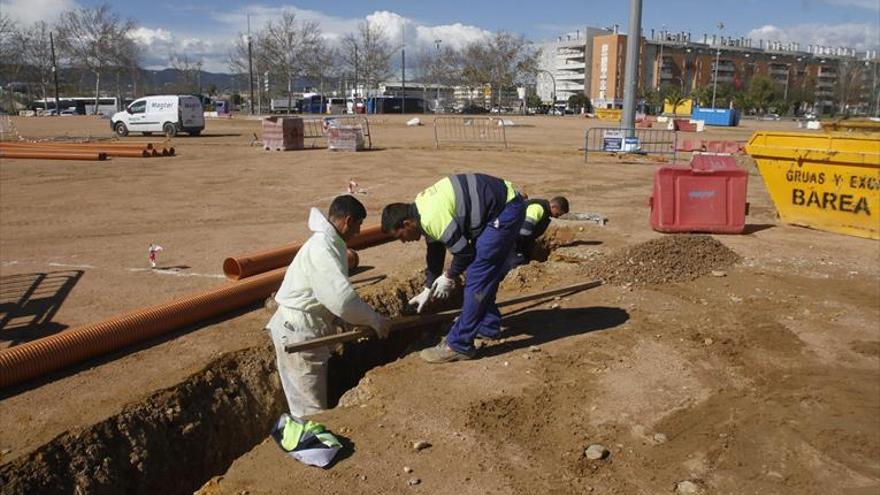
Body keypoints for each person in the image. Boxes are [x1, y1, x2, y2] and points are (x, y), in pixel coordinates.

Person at [265, 195, 391, 417]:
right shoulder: (322, 248)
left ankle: (312, 444)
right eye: (358, 225)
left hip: (305, 326)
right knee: (309, 408)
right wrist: (373, 319)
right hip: (298, 330)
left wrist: (342, 320)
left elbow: (325, 294)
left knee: (310, 401)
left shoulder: (330, 243)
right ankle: (311, 449)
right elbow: (341, 298)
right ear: (348, 221)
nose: (359, 232)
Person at [381, 173, 525, 363]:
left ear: (406, 223)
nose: (403, 241)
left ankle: (459, 345)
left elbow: (465, 253)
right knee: (482, 274)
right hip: (500, 205)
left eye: (400, 235)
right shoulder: (421, 208)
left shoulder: (431, 218)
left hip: (505, 210)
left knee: (477, 274)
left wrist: (450, 275)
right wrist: (428, 287)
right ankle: (487, 326)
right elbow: (435, 248)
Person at [515, 196, 570, 263]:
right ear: (554, 207)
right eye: (558, 213)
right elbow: (524, 231)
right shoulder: (538, 208)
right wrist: (519, 252)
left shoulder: (545, 213)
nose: (557, 216)